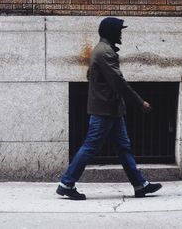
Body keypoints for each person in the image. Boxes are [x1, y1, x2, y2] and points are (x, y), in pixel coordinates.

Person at [56, 17, 162, 200]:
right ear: (111, 32)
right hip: (105, 110)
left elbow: (92, 76)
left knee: (123, 147)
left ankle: (140, 185)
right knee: (90, 146)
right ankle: (66, 183)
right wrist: (139, 102)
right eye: (119, 31)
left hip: (111, 109)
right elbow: (118, 82)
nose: (121, 34)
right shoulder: (105, 52)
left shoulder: (102, 50)